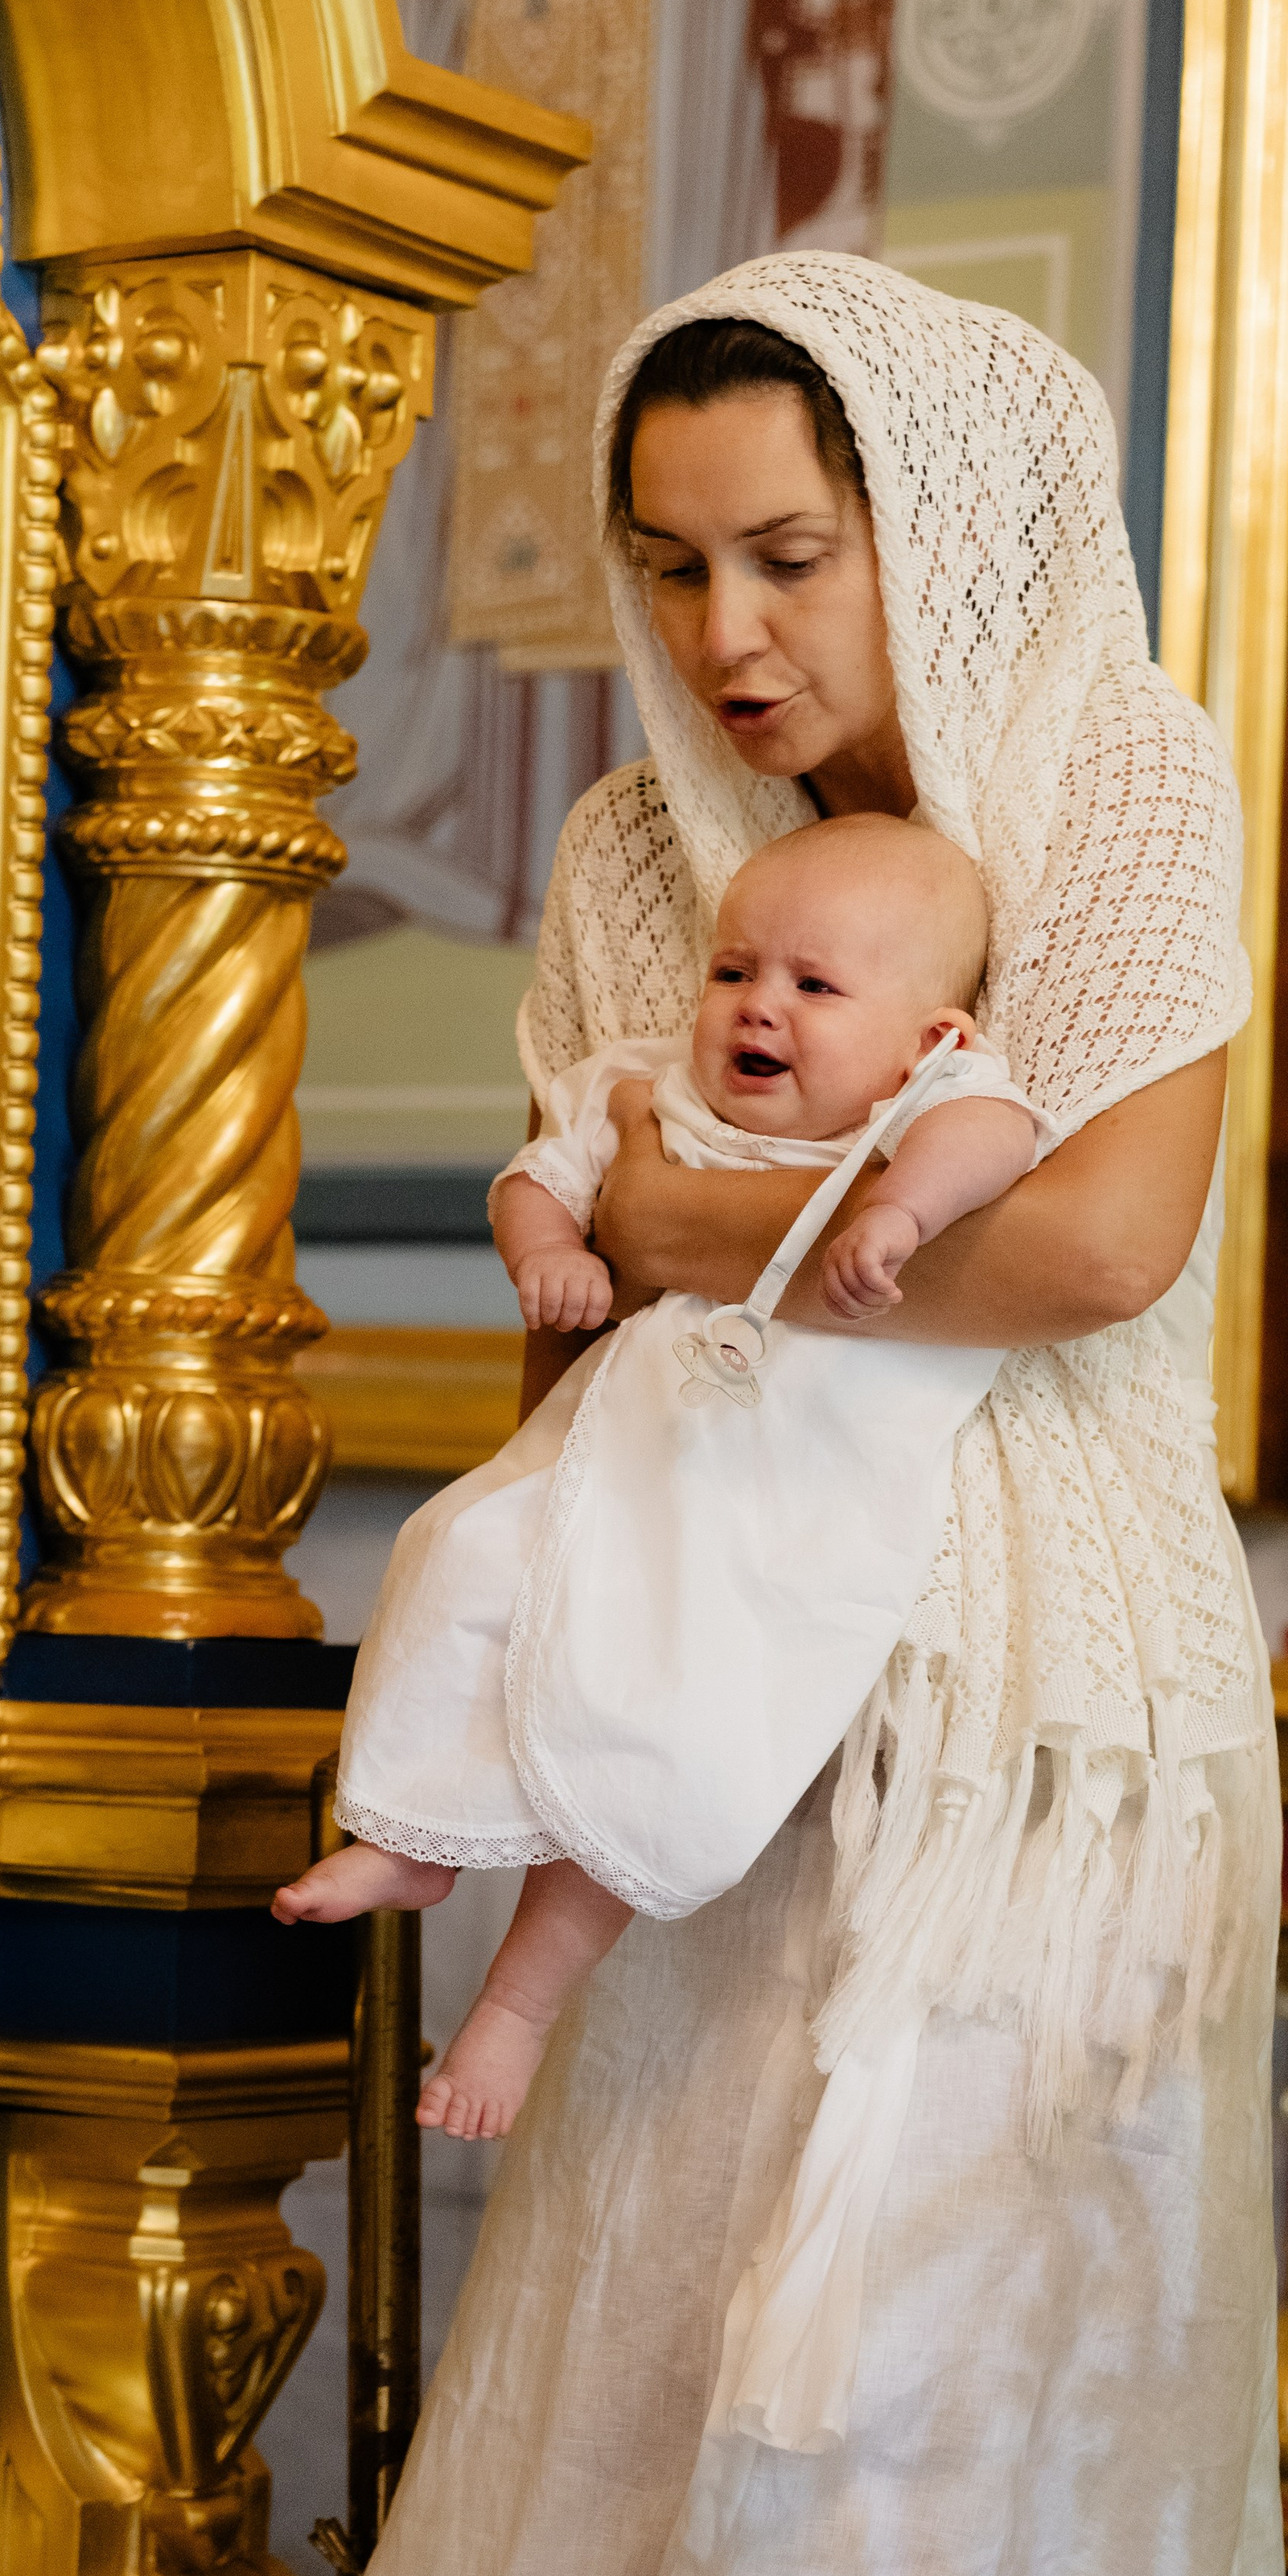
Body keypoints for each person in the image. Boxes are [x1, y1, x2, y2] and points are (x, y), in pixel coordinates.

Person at [325, 257, 1280, 2576]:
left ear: (925, 525)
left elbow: (1082, 1239)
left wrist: (675, 1217)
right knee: (648, 2422)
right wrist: (522, 1675)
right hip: (713, 1724)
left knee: (922, 2454)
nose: (724, 626)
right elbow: (572, 1318)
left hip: (1056, 1721)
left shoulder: (1117, 774)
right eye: (669, 562)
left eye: (784, 551)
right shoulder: (646, 857)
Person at [275, 813, 1047, 2162]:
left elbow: (999, 1133)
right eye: (737, 971)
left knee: (659, 1730)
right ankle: (409, 1833)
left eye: (815, 987)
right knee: (452, 1549)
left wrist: (898, 1214)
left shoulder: (934, 1105)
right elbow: (537, 1176)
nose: (761, 1008)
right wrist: (545, 1256)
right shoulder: (647, 1088)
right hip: (614, 1459)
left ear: (925, 1036)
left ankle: (518, 2001)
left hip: (781, 1514)